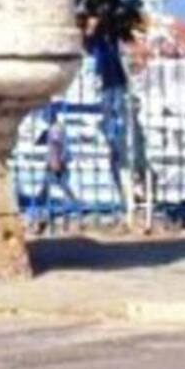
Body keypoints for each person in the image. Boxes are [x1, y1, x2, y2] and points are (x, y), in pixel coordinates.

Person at [83, 15, 136, 229]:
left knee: (118, 132)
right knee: (114, 134)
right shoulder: (98, 43)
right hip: (109, 87)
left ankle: (130, 205)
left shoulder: (107, 41)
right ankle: (127, 204)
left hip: (114, 87)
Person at [34, 107, 77, 232]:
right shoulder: (59, 128)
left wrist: (55, 163)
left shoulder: (55, 129)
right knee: (53, 190)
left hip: (55, 164)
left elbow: (55, 145)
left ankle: (45, 219)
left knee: (48, 192)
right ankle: (46, 218)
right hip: (60, 163)